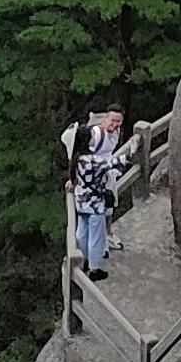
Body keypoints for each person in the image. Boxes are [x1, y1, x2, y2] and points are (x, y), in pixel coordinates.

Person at [61, 107, 133, 279]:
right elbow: (117, 162)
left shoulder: (77, 159)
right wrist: (132, 150)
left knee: (82, 231)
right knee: (96, 235)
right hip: (94, 202)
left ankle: (83, 261)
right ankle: (94, 268)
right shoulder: (93, 160)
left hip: (81, 200)